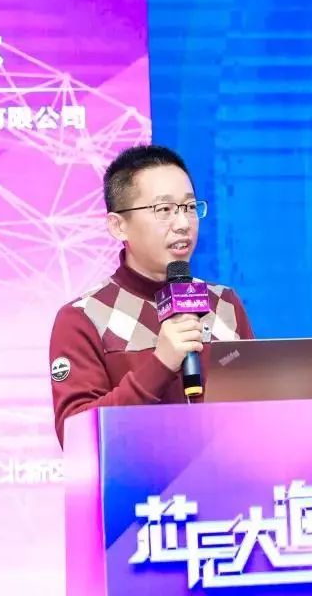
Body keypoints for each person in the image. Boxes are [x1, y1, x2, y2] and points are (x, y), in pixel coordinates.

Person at [48, 145, 254, 446]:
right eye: (164, 210)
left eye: (189, 207)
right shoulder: (83, 318)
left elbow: (259, 414)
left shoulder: (224, 304)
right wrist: (161, 364)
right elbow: (76, 436)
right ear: (118, 226)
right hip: (139, 478)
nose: (183, 224)